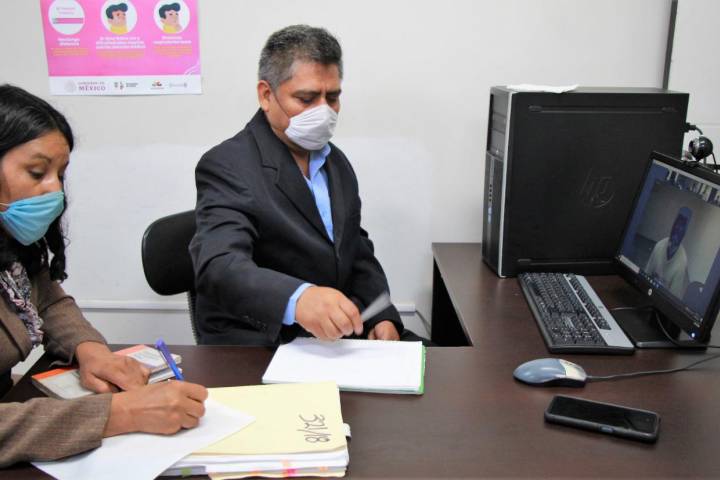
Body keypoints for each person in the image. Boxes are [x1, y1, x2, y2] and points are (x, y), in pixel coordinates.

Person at [0, 85, 207, 467]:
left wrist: (90, 351)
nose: (55, 189)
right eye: (37, 172)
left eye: (60, 174)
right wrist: (119, 414)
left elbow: (47, 300)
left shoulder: (11, 245)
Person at [190, 25, 412, 345]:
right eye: (306, 99)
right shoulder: (227, 165)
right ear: (266, 95)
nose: (323, 112)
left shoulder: (335, 161)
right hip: (263, 342)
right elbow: (220, 266)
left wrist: (381, 314)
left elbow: (356, 248)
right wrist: (298, 299)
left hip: (336, 337)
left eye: (332, 98)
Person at [645, 206, 692, 298]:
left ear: (684, 233)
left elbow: (672, 297)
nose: (678, 229)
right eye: (676, 224)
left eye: (681, 227)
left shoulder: (682, 263)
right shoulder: (659, 246)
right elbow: (647, 273)